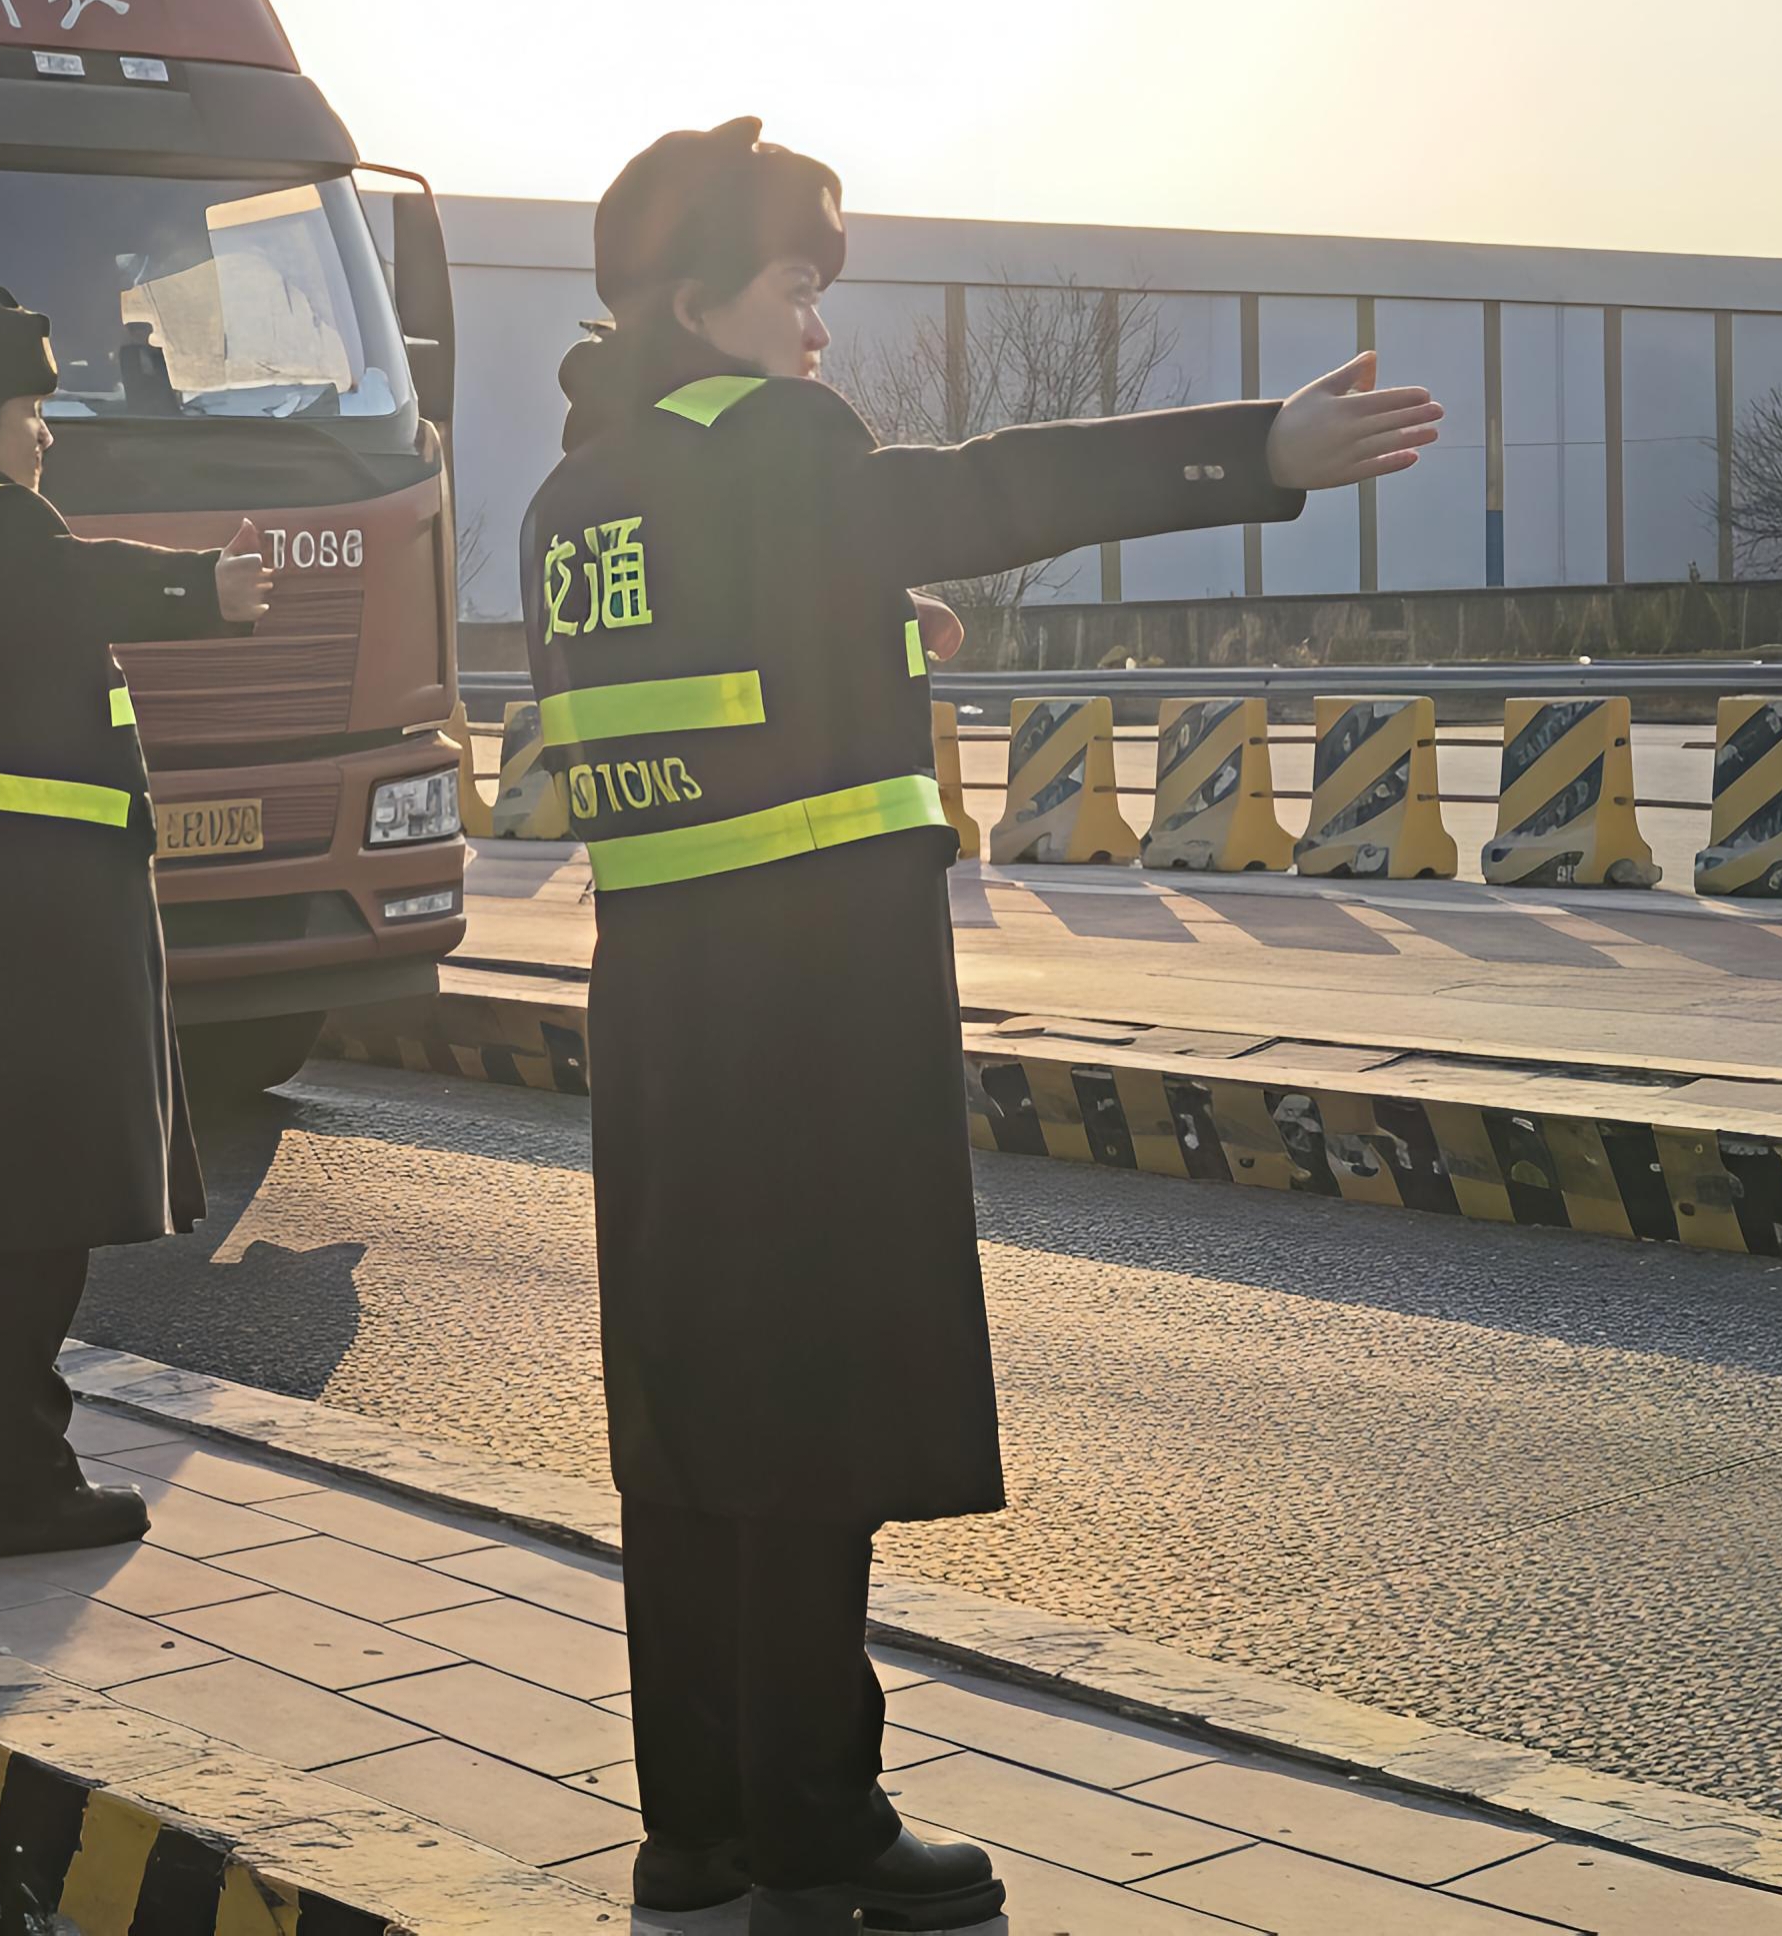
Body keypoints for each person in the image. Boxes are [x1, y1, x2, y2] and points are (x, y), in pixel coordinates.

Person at [519, 120, 1438, 1933]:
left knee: (690, 1406)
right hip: (815, 1005)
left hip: (663, 1006)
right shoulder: (778, 448)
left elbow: (705, 669)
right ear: (697, 300)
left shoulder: (581, 496)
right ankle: (815, 1827)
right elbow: (997, 484)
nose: (818, 330)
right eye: (797, 287)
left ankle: (696, 1824)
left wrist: (862, 614)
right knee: (814, 1401)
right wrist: (1253, 450)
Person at [0, 287, 274, 1558]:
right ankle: (24, 1487)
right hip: (28, 924)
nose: (45, 433)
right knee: (30, 1209)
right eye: (30, 406)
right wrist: (206, 584)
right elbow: (73, 572)